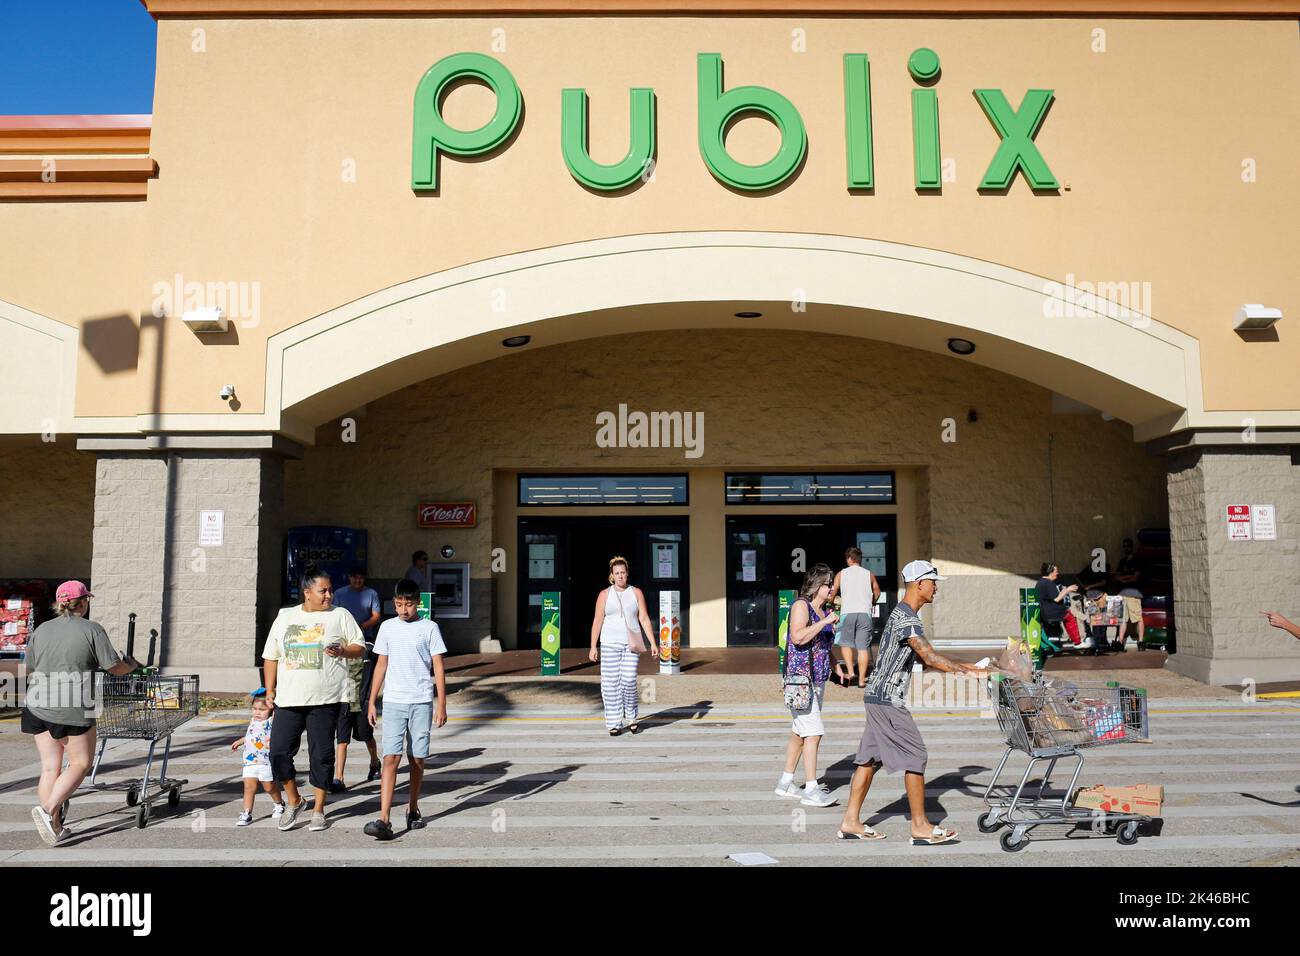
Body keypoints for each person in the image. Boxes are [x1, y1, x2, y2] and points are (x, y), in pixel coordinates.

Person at [837, 560, 989, 844]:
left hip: (876, 696)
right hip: (887, 701)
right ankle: (920, 827)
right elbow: (929, 657)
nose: (936, 589)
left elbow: (923, 659)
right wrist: (973, 671)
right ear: (920, 583)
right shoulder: (907, 618)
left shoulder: (903, 615)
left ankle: (850, 821)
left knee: (869, 760)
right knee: (916, 755)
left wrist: (963, 668)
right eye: (934, 583)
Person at [22, 581, 141, 846]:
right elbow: (114, 667)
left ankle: (54, 827)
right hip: (74, 705)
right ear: (84, 602)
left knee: (50, 767)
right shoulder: (92, 630)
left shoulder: (41, 629)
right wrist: (131, 666)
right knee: (80, 763)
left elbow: (29, 667)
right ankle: (47, 809)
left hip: (37, 703)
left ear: (58, 602)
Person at [262, 564, 365, 833]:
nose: (329, 595)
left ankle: (319, 809)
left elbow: (359, 646)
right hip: (289, 700)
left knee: (322, 756)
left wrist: (343, 650)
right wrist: (269, 691)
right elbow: (270, 656)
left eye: (330, 590)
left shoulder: (340, 615)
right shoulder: (285, 617)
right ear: (307, 592)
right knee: (278, 753)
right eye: (324, 591)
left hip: (326, 699)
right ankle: (294, 800)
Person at [363, 578, 448, 840]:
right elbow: (380, 665)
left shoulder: (430, 628)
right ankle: (384, 818)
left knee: (417, 758)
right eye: (399, 604)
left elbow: (438, 667)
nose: (403, 610)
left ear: (418, 603)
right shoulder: (387, 628)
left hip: (421, 700)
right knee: (390, 757)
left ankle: (413, 809)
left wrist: (441, 703)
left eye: (408, 605)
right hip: (394, 701)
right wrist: (371, 700)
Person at [775, 564, 839, 808]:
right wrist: (824, 623)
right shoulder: (801, 606)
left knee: (799, 732)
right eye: (828, 584)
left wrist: (837, 666)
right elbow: (798, 637)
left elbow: (822, 646)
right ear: (816, 585)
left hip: (817, 679)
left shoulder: (823, 610)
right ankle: (811, 788)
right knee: (813, 732)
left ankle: (786, 782)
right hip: (800, 679)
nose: (832, 588)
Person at [588, 556, 659, 736]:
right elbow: (598, 620)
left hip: (631, 643)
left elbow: (643, 617)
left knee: (628, 680)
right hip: (609, 643)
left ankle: (631, 716)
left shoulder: (636, 593)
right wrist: (593, 646)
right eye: (617, 573)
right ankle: (614, 722)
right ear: (612, 575)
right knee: (610, 684)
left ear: (627, 574)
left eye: (623, 573)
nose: (620, 576)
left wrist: (652, 642)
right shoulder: (604, 594)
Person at [331, 567, 382, 790]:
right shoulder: (340, 594)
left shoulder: (367, 656)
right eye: (355, 577)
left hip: (359, 700)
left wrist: (363, 627)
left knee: (364, 736)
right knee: (341, 739)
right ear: (349, 577)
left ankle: (374, 762)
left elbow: (376, 615)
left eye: (361, 577)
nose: (358, 580)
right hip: (344, 700)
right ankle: (339, 777)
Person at [229, 688, 286, 826]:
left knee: (268, 787)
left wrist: (273, 701)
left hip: (265, 762)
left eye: (262, 710)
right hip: (250, 761)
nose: (257, 712)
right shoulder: (253, 721)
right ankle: (247, 813)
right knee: (249, 787)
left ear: (271, 710)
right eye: (254, 709)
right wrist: (241, 741)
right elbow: (252, 735)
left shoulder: (272, 721)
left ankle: (279, 803)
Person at [829, 548, 880, 687]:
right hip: (864, 613)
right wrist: (872, 602)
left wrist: (830, 603)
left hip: (847, 612)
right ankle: (862, 680)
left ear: (850, 559)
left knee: (845, 644)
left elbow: (833, 592)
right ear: (860, 559)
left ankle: (851, 673)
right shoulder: (869, 574)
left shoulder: (841, 574)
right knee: (862, 647)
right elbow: (877, 591)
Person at [1036, 563, 1088, 651]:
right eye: (1056, 571)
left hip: (1045, 611)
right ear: (1050, 572)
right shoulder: (1048, 583)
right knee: (1070, 616)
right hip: (1051, 612)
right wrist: (1068, 590)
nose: (1057, 573)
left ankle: (1082, 622)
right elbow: (1056, 599)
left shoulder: (1040, 582)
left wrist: (1063, 591)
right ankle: (1077, 642)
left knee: (1070, 611)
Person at [1112, 538, 1144, 650]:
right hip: (1122, 594)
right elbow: (1116, 577)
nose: (1126, 548)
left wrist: (1124, 578)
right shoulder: (1122, 561)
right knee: (1122, 619)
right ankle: (1120, 642)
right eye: (1124, 546)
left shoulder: (1137, 560)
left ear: (1132, 547)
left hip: (1134, 594)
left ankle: (1140, 642)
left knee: (1138, 618)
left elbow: (1135, 577)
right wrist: (1127, 578)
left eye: (1128, 546)